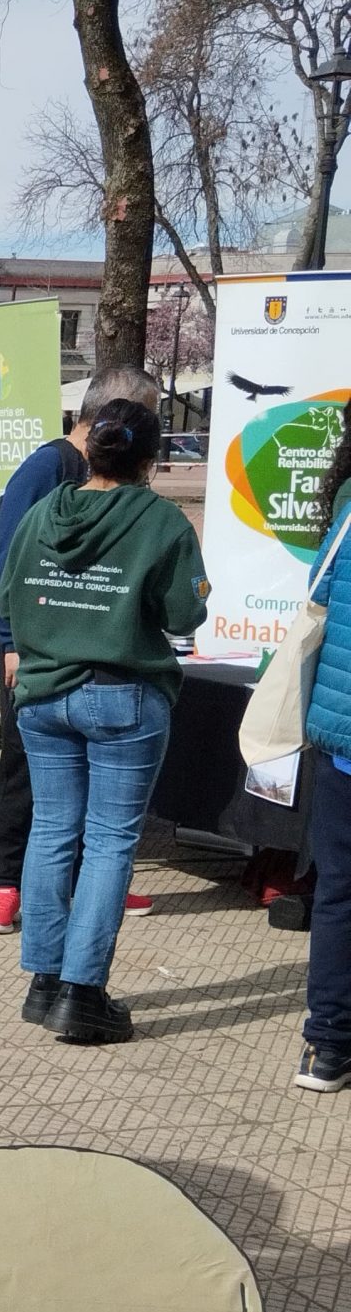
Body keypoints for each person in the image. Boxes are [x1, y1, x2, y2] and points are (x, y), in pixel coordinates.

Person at [1, 395, 206, 1047]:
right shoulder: (161, 521)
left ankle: (42, 981)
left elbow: (10, 596)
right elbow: (185, 615)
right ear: (151, 458)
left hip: (42, 693)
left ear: (88, 448)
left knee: (52, 831)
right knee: (110, 841)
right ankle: (82, 995)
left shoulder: (40, 514)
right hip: (121, 695)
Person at [0, 374, 155, 934]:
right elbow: (10, 560)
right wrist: (10, 642)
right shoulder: (48, 467)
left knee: (89, 775)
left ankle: (90, 880)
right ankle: (6, 884)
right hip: (33, 652)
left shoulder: (116, 479)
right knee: (24, 768)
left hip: (91, 654)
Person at [296, 424, 351, 1092]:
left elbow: (319, 591)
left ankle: (327, 1044)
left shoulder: (345, 510)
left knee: (339, 894)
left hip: (343, 743)